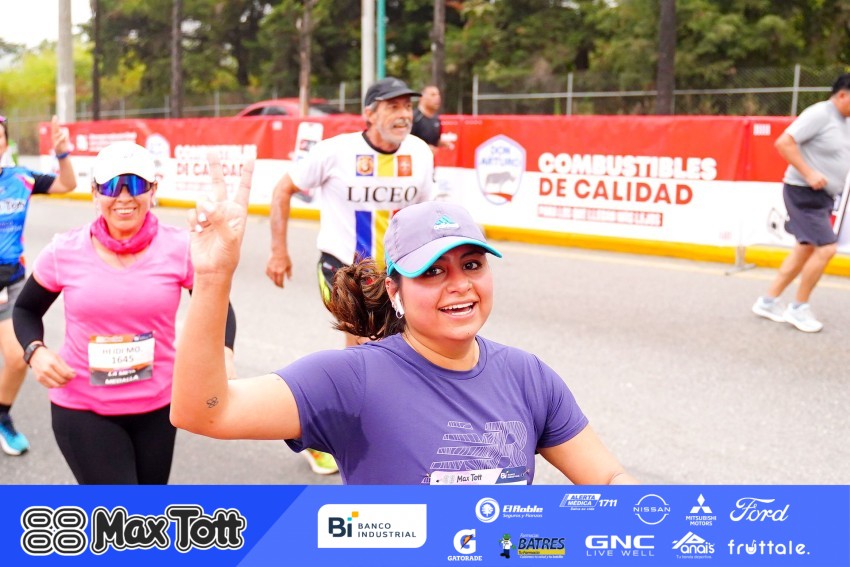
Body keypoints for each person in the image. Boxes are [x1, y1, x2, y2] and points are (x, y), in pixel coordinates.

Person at [172, 165, 638, 486]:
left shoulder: (529, 377)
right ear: (395, 291)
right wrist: (213, 278)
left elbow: (607, 477)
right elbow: (204, 412)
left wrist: (646, 516)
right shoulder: (352, 379)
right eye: (432, 272)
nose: (460, 285)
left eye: (472, 265)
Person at [12, 141, 237, 484]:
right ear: (94, 193)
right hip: (82, 406)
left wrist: (224, 352)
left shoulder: (180, 247)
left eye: (135, 184)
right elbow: (26, 309)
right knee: (123, 509)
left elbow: (218, 306)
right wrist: (35, 351)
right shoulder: (64, 251)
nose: (124, 196)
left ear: (153, 190)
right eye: (111, 186)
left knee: (146, 509)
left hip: (160, 406)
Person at [264, 77, 435, 475]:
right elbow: (282, 190)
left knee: (396, 350)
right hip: (343, 268)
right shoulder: (335, 151)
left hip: (395, 271)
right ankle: (346, 437)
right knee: (368, 347)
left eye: (407, 106)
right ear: (369, 113)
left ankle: (344, 430)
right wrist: (278, 251)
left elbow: (424, 215)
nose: (404, 114)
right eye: (393, 106)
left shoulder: (420, 153)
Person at [0, 115, 77, 456]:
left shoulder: (21, 178)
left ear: (6, 142)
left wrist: (62, 153)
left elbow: (66, 184)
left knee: (18, 359)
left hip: (10, 282)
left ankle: (2, 416)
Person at [752, 73, 850, 333]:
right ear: (843, 95)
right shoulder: (820, 114)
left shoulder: (845, 122)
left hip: (823, 196)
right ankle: (798, 307)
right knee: (826, 249)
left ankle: (767, 301)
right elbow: (784, 142)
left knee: (804, 250)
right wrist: (809, 173)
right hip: (803, 192)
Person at [410, 85, 454, 154]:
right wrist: (425, 148)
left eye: (438, 95)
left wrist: (442, 143)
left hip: (430, 159)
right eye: (433, 95)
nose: (437, 98)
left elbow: (435, 140)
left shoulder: (436, 119)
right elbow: (405, 142)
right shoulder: (413, 118)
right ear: (422, 98)